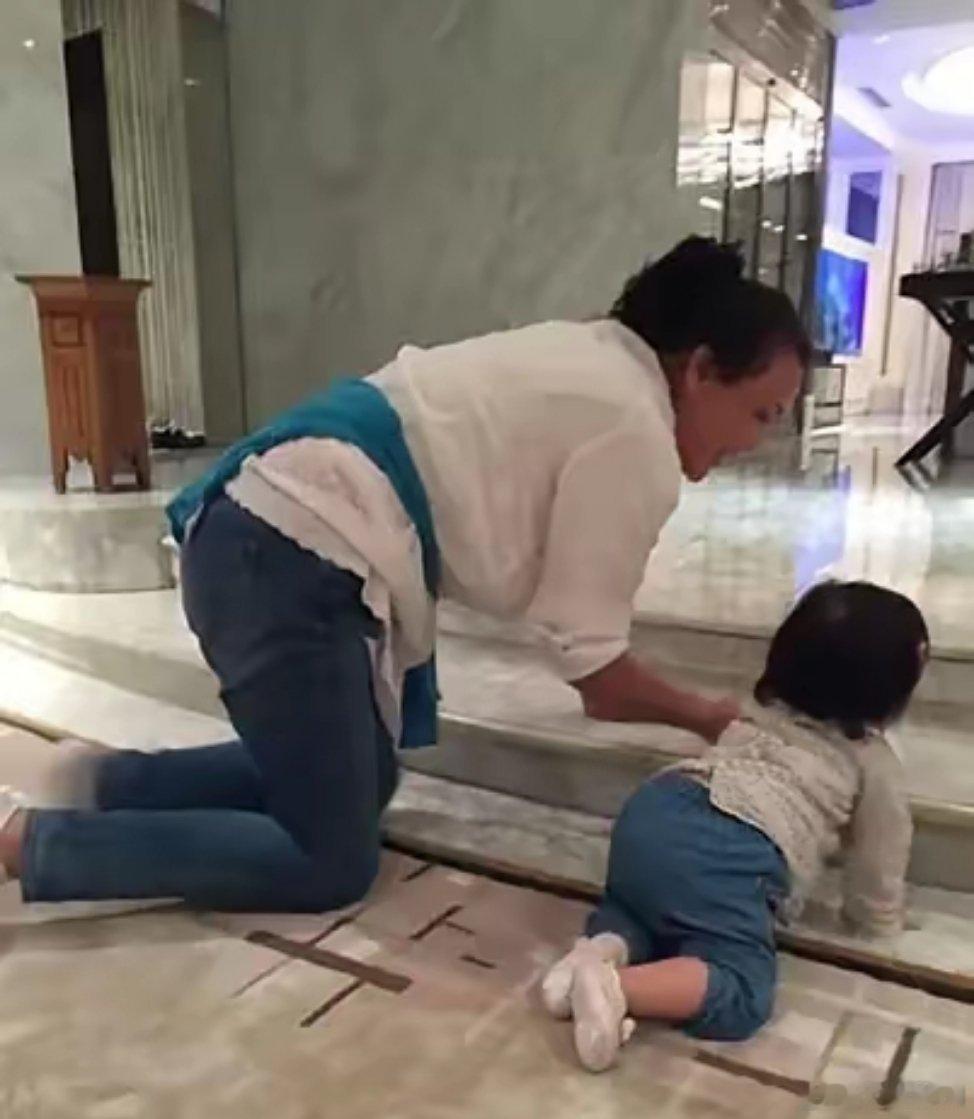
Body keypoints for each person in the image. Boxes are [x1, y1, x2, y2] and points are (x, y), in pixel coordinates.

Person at [0, 237, 808, 913]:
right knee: (327, 859)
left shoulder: (599, 357)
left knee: (365, 780)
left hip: (266, 535)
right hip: (288, 555)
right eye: (761, 413)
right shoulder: (635, 428)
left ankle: (96, 779)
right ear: (701, 369)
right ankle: (26, 841)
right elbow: (596, 674)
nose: (757, 441)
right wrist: (710, 716)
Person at [542, 581, 927, 1073]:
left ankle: (597, 953)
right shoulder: (873, 763)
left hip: (656, 806)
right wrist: (877, 922)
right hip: (732, 845)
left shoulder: (752, 716)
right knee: (742, 989)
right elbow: (880, 853)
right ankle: (615, 988)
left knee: (641, 911)